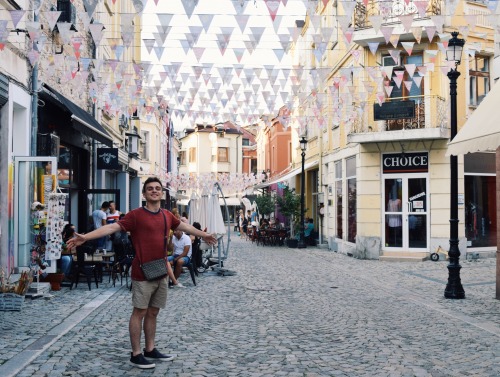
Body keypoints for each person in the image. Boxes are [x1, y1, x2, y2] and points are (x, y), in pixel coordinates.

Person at [66, 177, 217, 370]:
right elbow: (112, 227)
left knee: (154, 312)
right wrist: (85, 237)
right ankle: (136, 354)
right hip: (142, 271)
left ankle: (150, 349)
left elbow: (184, 227)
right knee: (140, 312)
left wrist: (204, 235)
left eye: (157, 188)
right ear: (144, 194)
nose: (154, 191)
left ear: (161, 193)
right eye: (150, 189)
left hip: (161, 270)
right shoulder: (135, 215)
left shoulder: (166, 215)